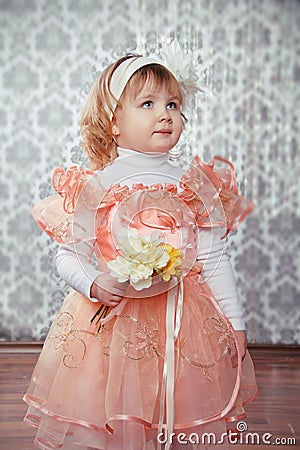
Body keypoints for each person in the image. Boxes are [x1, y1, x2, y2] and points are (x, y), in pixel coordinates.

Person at [23, 46, 257, 450]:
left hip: (183, 320)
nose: (164, 114)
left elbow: (214, 256)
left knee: (175, 402)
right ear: (114, 123)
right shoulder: (97, 184)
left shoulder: (193, 181)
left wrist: (235, 323)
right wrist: (94, 283)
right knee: (118, 407)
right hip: (115, 323)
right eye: (147, 103)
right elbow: (68, 255)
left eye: (172, 104)